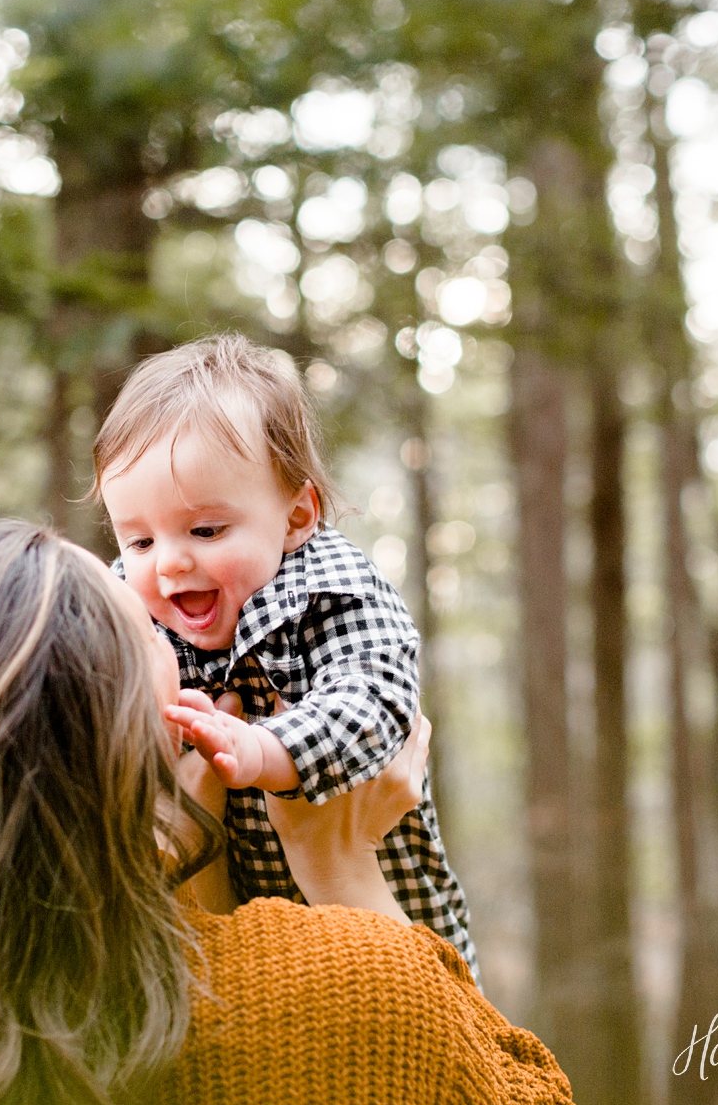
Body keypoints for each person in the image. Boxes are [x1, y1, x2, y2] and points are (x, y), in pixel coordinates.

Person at [0, 520, 588, 1105]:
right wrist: (341, 865)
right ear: (117, 745)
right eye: (147, 640)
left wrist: (178, 862)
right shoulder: (353, 994)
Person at [95, 332, 479, 979]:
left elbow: (373, 701)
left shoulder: (329, 590)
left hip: (385, 913)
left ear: (298, 516)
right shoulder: (133, 614)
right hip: (236, 940)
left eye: (206, 530)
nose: (169, 562)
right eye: (138, 541)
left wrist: (267, 751)